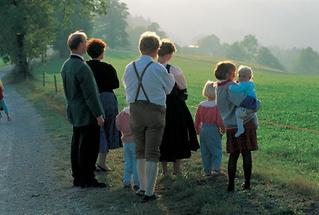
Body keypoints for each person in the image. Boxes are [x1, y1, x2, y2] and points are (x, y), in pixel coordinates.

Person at [123, 31, 175, 202]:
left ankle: (143, 187)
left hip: (135, 110)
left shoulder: (129, 67)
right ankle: (150, 192)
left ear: (140, 48)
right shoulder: (158, 68)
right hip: (154, 111)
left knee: (140, 150)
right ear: (156, 49)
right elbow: (168, 89)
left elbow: (127, 88)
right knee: (152, 152)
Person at [60, 31, 106, 188]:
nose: (87, 44)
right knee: (89, 147)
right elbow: (91, 95)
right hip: (86, 113)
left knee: (76, 145)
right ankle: (88, 178)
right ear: (80, 45)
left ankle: (78, 177)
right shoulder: (82, 67)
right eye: (85, 42)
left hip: (74, 111)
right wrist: (98, 114)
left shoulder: (66, 65)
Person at [214, 61, 260, 192]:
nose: (236, 76)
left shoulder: (218, 87)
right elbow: (245, 102)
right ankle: (247, 183)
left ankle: (231, 185)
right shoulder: (231, 86)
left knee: (233, 155)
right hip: (243, 122)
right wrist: (257, 104)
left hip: (229, 124)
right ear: (229, 73)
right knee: (246, 153)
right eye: (235, 73)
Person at [157, 39, 199, 176]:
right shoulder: (174, 70)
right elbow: (182, 87)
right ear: (169, 54)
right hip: (174, 106)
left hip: (157, 104)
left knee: (162, 136)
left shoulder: (151, 67)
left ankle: (164, 170)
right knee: (178, 135)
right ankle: (177, 169)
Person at [86, 38, 121, 172]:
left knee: (94, 129)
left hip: (92, 99)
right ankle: (102, 162)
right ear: (101, 53)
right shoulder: (108, 67)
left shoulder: (85, 66)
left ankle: (93, 161)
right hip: (107, 98)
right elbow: (115, 84)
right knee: (107, 128)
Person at [194, 81, 225, 176]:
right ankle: (215, 169)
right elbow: (219, 120)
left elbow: (197, 119)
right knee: (216, 150)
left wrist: (197, 129)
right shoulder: (216, 106)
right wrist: (223, 129)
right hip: (213, 129)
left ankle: (207, 169)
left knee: (205, 150)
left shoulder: (201, 105)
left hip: (203, 128)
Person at [229, 65, 259, 137]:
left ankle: (241, 128)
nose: (241, 78)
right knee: (245, 112)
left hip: (248, 100)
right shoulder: (249, 83)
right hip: (250, 100)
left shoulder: (245, 84)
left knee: (238, 113)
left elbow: (238, 89)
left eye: (244, 76)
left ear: (249, 77)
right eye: (240, 76)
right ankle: (254, 123)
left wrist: (230, 86)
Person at [116, 106, 139, 190]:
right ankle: (137, 182)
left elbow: (118, 126)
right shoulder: (135, 113)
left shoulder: (121, 114)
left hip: (125, 141)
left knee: (127, 161)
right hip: (135, 140)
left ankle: (127, 181)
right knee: (136, 162)